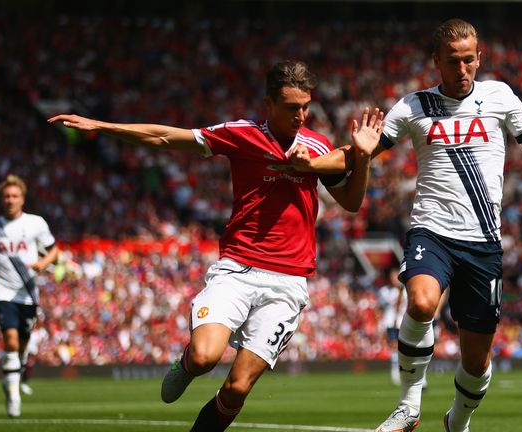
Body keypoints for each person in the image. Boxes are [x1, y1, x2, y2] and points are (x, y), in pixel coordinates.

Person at [49, 60, 384, 432]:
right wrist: (101, 126)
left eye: (305, 106)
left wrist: (364, 157)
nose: (301, 115)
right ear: (269, 104)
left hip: (289, 282)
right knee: (206, 356)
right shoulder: (242, 134)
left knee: (237, 388)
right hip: (238, 269)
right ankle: (188, 365)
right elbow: (165, 137)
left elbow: (352, 202)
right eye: (291, 107)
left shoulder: (319, 146)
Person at [293, 19, 522, 432]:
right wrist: (312, 164)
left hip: (483, 242)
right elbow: (358, 153)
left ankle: (457, 421)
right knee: (422, 302)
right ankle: (409, 404)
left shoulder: (499, 96)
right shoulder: (413, 107)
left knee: (477, 359)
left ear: (479, 58)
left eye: (469, 60)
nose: (462, 69)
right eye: (453, 62)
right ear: (436, 62)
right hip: (432, 230)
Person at [0, 174, 60, 418]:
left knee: (22, 344)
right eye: (6, 196)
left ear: (22, 199)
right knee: (10, 341)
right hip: (3, 291)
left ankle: (12, 377)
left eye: (14, 196)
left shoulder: (36, 223)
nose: (10, 200)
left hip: (28, 293)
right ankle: (13, 396)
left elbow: (54, 251)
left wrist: (43, 262)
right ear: (2, 199)